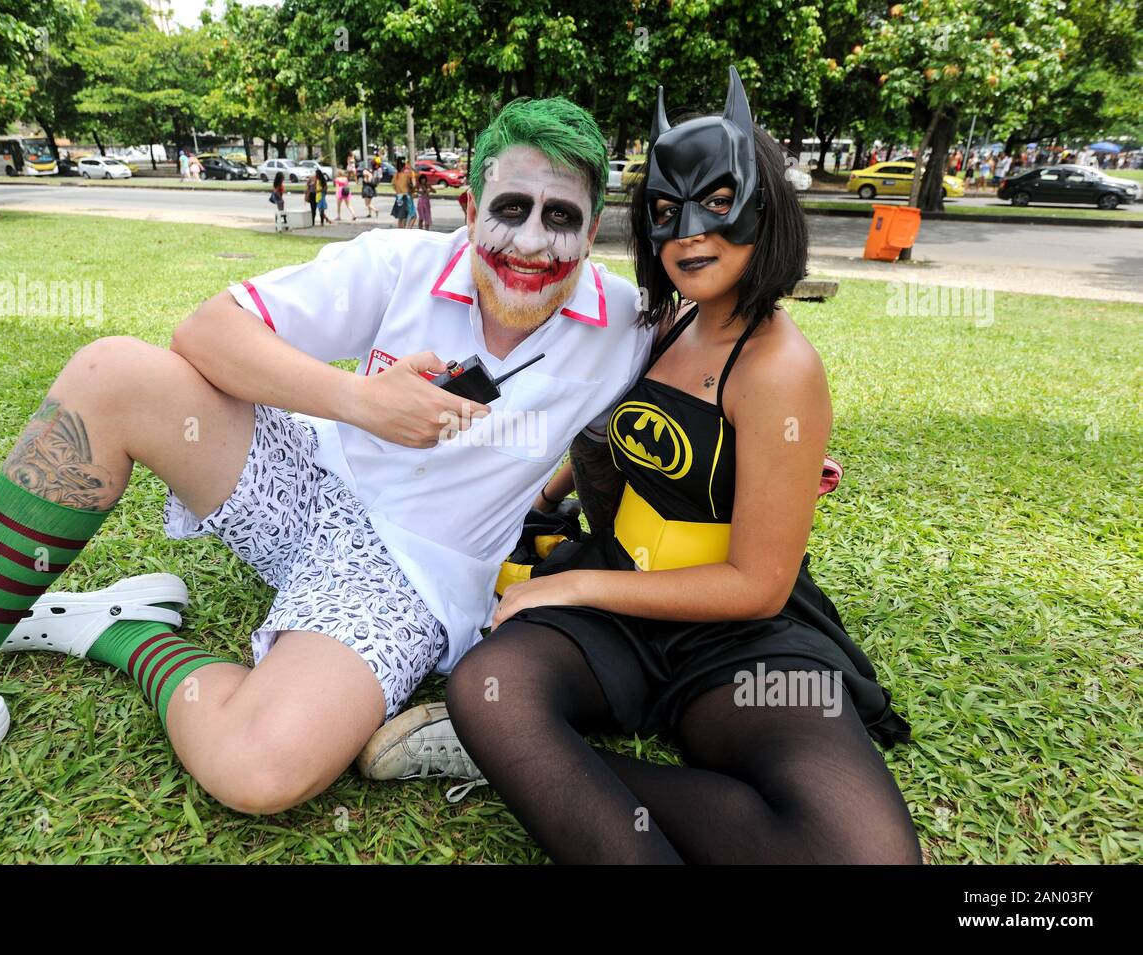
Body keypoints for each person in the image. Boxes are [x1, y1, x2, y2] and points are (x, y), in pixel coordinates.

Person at [0, 97, 658, 818]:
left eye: (561, 217)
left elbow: (730, 338)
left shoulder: (626, 327)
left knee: (260, 769)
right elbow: (206, 332)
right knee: (112, 374)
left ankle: (118, 634)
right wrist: (361, 402)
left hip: (409, 574)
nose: (531, 242)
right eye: (511, 207)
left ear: (593, 230)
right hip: (308, 484)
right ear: (470, 205)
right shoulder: (399, 261)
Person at [364, 68, 919, 865]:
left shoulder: (780, 367)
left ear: (764, 205)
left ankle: (527, 770)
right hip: (620, 598)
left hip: (735, 634)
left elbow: (757, 583)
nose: (688, 232)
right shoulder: (660, 319)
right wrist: (543, 502)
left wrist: (570, 583)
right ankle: (515, 752)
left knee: (864, 857)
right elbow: (604, 430)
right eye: (665, 213)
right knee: (490, 690)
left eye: (717, 204)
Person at [392, 160, 416, 228]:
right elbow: (413, 185)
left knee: (401, 217)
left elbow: (393, 185)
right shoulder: (407, 175)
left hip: (398, 197)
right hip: (406, 196)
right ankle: (408, 231)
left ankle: (401, 232)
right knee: (413, 216)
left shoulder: (396, 175)